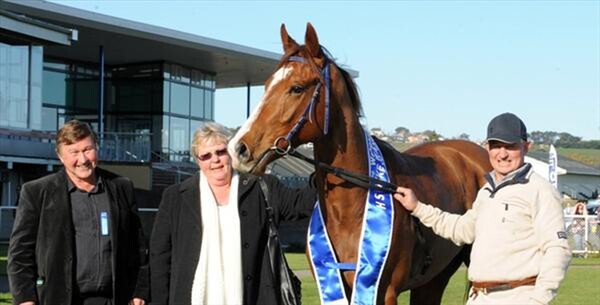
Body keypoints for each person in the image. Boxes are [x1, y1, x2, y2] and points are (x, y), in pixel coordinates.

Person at [394, 112, 571, 305]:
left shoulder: (540, 190)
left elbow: (557, 249)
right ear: (487, 148)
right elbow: (462, 230)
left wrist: (539, 300)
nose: (502, 154)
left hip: (517, 297)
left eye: (510, 146)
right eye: (496, 146)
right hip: (480, 297)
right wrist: (418, 207)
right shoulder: (487, 191)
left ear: (526, 147)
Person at [149, 122, 316, 305]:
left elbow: (302, 204)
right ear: (198, 161)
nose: (215, 160)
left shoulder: (262, 188)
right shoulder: (175, 197)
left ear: (231, 152)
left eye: (220, 152)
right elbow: (160, 257)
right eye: (206, 156)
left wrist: (324, 173)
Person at [8, 120, 149, 305]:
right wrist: (25, 299)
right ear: (60, 156)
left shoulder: (121, 187)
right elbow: (20, 254)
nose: (82, 160)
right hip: (59, 299)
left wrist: (139, 291)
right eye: (74, 152)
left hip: (113, 299)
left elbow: (137, 247)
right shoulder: (37, 193)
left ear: (96, 148)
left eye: (87, 150)